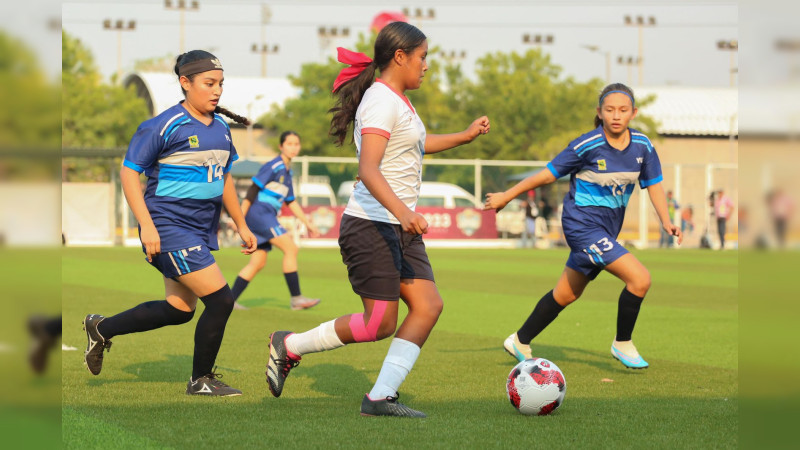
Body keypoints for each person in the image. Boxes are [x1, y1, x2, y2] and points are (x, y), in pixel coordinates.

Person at [265, 22, 490, 417]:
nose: (426, 66)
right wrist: (404, 213)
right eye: (422, 58)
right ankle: (290, 345)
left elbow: (418, 145)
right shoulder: (382, 100)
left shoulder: (398, 101)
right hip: (372, 225)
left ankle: (380, 396)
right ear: (400, 57)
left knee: (428, 306)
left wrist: (464, 136)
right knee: (378, 324)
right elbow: (368, 168)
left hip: (394, 226)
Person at [82, 50, 257, 397]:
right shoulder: (163, 124)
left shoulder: (221, 128)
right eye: (209, 83)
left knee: (179, 310)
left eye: (220, 83)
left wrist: (241, 223)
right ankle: (201, 380)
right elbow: (129, 173)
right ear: (185, 83)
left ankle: (101, 328)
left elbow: (223, 178)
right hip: (166, 227)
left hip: (196, 231)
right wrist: (146, 225)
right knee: (221, 301)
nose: (217, 90)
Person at [484, 83, 681, 370]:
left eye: (623, 110)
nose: (616, 115)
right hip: (581, 227)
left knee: (565, 295)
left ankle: (520, 340)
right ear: (599, 112)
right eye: (609, 110)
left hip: (605, 231)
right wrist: (507, 195)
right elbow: (547, 175)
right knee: (640, 279)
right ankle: (622, 343)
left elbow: (654, 185)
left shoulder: (643, 146)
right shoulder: (586, 145)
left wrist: (666, 221)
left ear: (633, 113)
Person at [230, 131, 321, 311]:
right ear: (281, 146)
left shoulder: (287, 172)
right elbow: (252, 191)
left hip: (263, 216)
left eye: (296, 144)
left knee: (257, 263)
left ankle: (228, 302)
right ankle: (296, 299)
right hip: (260, 215)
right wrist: (239, 220)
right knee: (290, 248)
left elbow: (291, 201)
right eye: (289, 144)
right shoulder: (274, 166)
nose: (293, 147)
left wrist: (307, 222)